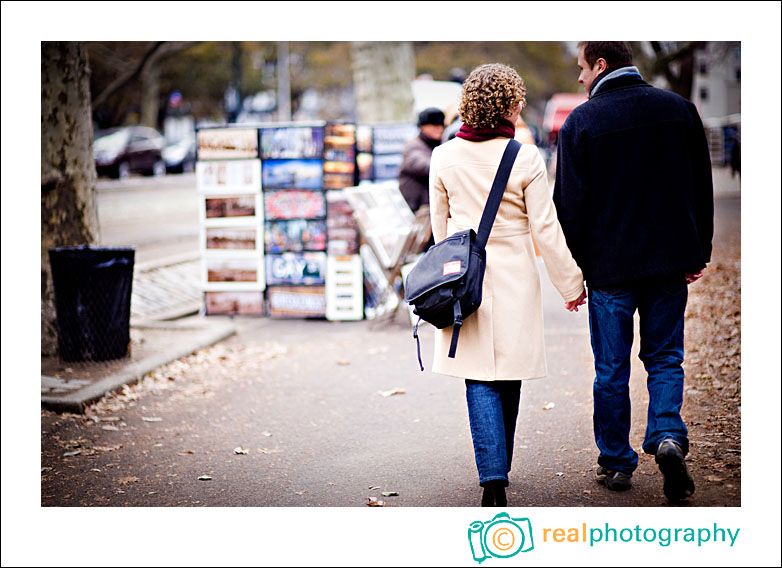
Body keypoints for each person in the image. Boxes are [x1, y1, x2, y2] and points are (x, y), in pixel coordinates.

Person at [553, 42, 714, 503]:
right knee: (665, 357)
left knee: (611, 368)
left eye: (582, 69)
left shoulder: (581, 123)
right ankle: (667, 436)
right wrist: (697, 250)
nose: (580, 79)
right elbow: (700, 185)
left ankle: (617, 462)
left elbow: (570, 207)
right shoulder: (679, 109)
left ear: (601, 65)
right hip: (667, 262)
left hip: (609, 268)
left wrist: (579, 269)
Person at [429, 63, 587, 506]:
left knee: (478, 375)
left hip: (466, 278)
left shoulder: (443, 157)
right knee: (509, 369)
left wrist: (453, 277)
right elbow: (546, 228)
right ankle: (499, 466)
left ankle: (493, 476)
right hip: (515, 274)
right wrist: (570, 284)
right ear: (509, 106)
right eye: (517, 101)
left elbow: (440, 230)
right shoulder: (525, 157)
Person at [399, 107, 446, 213]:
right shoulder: (412, 146)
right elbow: (424, 166)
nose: (439, 129)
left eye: (441, 125)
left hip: (431, 208)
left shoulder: (440, 144)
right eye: (434, 125)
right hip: (417, 210)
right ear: (422, 127)